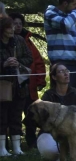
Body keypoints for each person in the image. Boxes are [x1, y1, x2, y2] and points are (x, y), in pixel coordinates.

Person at [9, 13, 46, 149]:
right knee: (14, 115)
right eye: (14, 23)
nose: (17, 26)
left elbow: (37, 62)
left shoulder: (28, 41)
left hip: (30, 86)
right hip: (12, 86)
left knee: (31, 115)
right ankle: (13, 142)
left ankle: (32, 141)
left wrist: (40, 80)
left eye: (20, 23)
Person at [37, 63, 76, 161]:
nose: (66, 73)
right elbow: (42, 121)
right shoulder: (48, 96)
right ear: (54, 77)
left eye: (67, 70)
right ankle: (58, 156)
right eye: (61, 71)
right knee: (50, 152)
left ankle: (71, 155)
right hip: (49, 134)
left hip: (72, 132)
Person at [44, 0, 76, 95]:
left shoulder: (70, 16)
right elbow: (65, 24)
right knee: (64, 101)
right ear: (65, 3)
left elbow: (75, 36)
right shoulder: (50, 13)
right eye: (74, 4)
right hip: (62, 64)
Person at [1, 16, 33, 156]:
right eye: (9, 27)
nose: (13, 29)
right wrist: (4, 64)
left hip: (19, 86)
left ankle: (17, 148)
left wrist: (18, 62)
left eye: (14, 26)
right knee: (1, 117)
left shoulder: (19, 40)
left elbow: (29, 58)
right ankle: (2, 149)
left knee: (16, 117)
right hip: (2, 86)